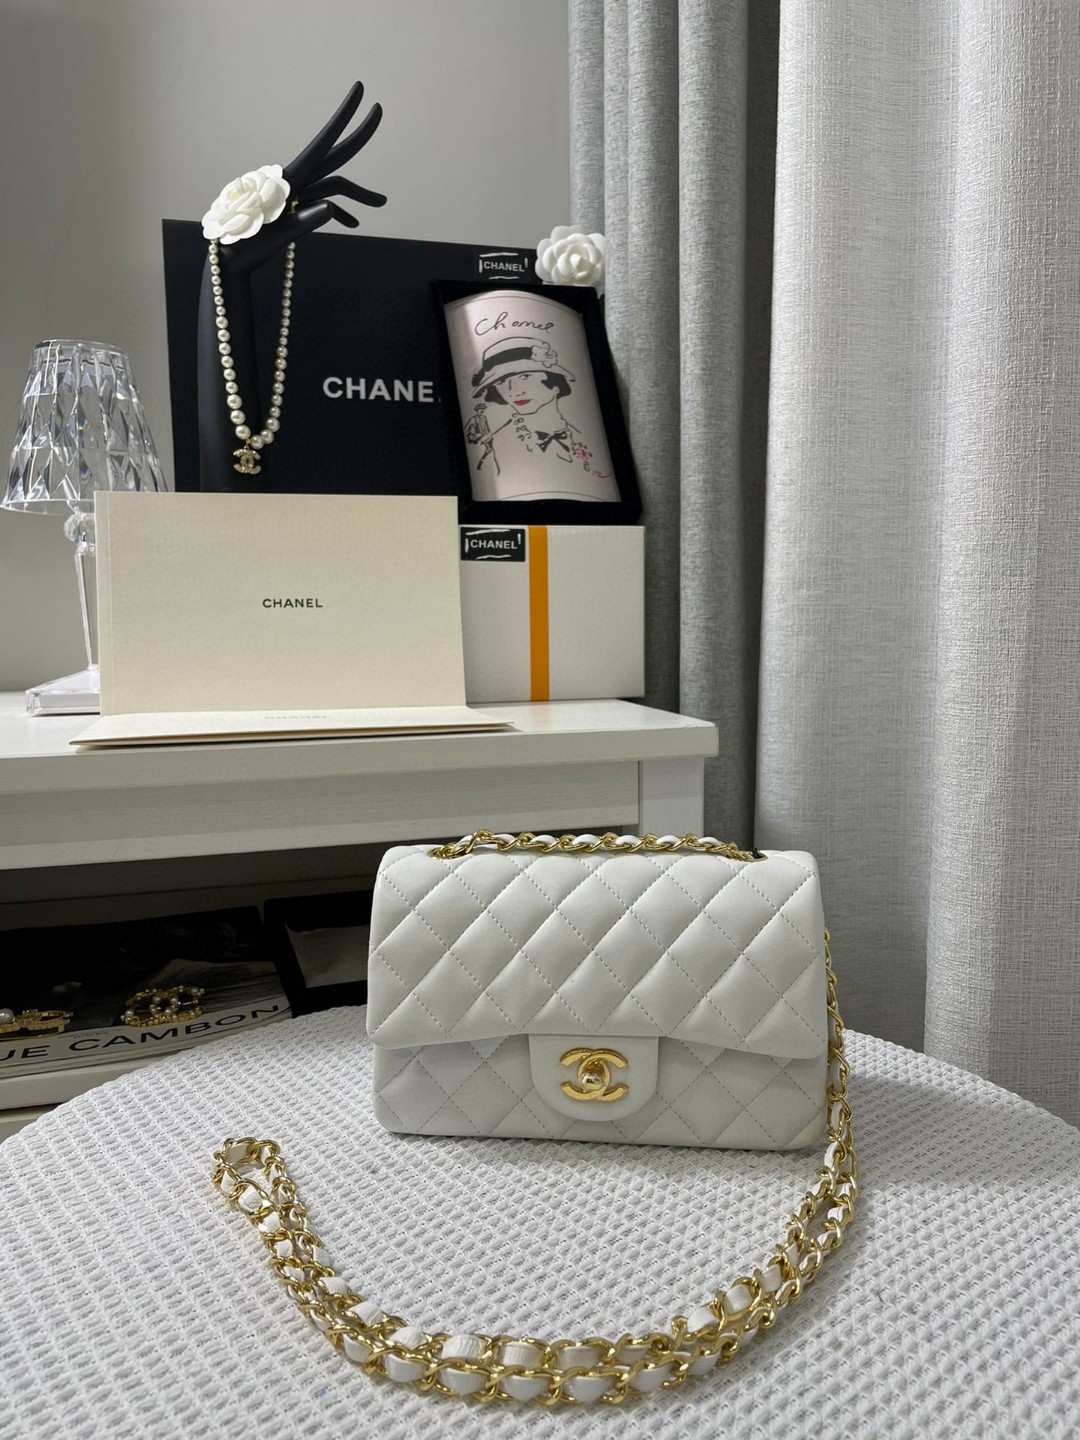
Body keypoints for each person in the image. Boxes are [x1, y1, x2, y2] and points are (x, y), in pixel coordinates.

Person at [463, 337, 618, 502]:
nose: (513, 391)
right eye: (500, 382)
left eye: (524, 376)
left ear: (555, 384)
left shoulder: (589, 439)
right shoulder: (497, 448)